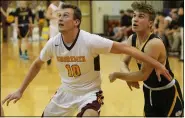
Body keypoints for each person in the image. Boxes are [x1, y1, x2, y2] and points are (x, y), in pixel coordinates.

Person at [2, 3, 171, 117]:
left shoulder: (90, 40)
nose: (59, 18)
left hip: (90, 93)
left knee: (90, 115)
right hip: (65, 92)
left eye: (65, 15)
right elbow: (37, 64)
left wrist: (157, 65)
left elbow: (126, 49)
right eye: (59, 16)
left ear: (76, 22)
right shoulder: (53, 43)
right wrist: (20, 90)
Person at [109, 2, 183, 117]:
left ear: (150, 23)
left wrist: (118, 75)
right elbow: (123, 61)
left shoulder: (154, 43)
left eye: (141, 16)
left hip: (167, 93)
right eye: (134, 15)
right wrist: (128, 75)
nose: (135, 19)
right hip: (148, 90)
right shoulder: (132, 39)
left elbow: (143, 75)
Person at [45, 0, 63, 65]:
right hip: (53, 27)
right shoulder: (51, 6)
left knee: (62, 43)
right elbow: (47, 16)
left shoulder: (62, 4)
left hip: (61, 27)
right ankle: (48, 57)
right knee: (51, 43)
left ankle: (62, 58)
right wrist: (55, 17)